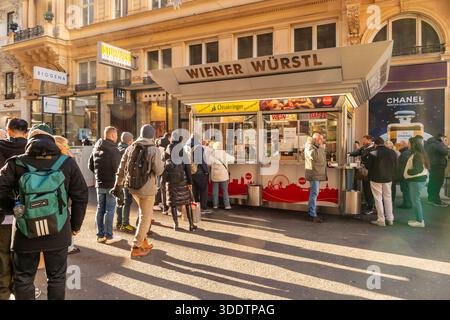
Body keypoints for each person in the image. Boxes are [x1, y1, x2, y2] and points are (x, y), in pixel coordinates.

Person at [0, 124, 88, 300]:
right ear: (51, 139)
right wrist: (75, 225)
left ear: (29, 140)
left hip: (25, 232)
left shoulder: (16, 163)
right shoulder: (66, 163)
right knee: (56, 278)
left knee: (23, 279)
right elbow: (81, 195)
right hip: (59, 228)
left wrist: (16, 209)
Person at [114, 125, 164, 258]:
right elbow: (159, 170)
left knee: (144, 214)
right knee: (145, 217)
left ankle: (144, 241)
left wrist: (117, 185)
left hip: (132, 187)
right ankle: (136, 247)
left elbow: (121, 168)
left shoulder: (130, 147)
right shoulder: (154, 149)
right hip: (147, 189)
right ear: (152, 136)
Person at [0, 118, 28, 300]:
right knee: (24, 254)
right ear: (26, 132)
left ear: (8, 131)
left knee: (2, 254)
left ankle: (3, 293)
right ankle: (21, 291)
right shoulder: (31, 149)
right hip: (28, 212)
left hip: (3, 211)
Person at [89, 126, 122, 245]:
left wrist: (99, 175)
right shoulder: (114, 150)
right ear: (112, 135)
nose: (117, 137)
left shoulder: (96, 147)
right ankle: (109, 236)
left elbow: (90, 165)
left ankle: (100, 235)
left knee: (100, 209)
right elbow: (118, 168)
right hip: (111, 184)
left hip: (99, 183)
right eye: (116, 135)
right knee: (110, 209)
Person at [163, 131, 197, 231]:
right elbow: (187, 168)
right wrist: (190, 182)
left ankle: (175, 225)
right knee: (187, 202)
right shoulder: (182, 150)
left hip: (171, 181)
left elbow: (163, 163)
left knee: (173, 204)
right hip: (183, 180)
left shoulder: (167, 150)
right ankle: (191, 225)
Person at [54, 135, 80, 255]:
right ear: (62, 146)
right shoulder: (67, 161)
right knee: (66, 221)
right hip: (64, 198)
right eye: (66, 145)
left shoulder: (49, 159)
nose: (68, 147)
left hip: (53, 199)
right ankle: (69, 246)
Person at [367, 137, 397, 227]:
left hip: (376, 178)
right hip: (388, 178)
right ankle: (390, 218)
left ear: (375, 144)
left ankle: (381, 219)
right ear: (383, 143)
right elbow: (395, 165)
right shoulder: (392, 152)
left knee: (378, 198)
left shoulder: (373, 152)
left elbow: (369, 166)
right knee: (388, 197)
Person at [405, 136, 430, 228]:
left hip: (416, 181)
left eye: (409, 143)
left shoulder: (417, 155)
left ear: (413, 144)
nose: (408, 145)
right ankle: (418, 219)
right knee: (415, 200)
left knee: (416, 201)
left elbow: (417, 169)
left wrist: (408, 171)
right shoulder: (418, 154)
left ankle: (420, 221)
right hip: (417, 180)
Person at [349, 135, 375, 214]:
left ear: (369, 140)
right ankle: (369, 205)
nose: (363, 142)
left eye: (364, 140)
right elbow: (356, 152)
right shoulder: (364, 148)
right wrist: (349, 154)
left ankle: (371, 207)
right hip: (364, 172)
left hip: (371, 172)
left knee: (369, 190)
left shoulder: (374, 148)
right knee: (366, 188)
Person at [116, 132, 136, 233]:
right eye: (132, 139)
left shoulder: (116, 149)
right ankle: (125, 223)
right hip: (125, 180)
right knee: (127, 201)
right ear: (129, 141)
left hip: (117, 179)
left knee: (119, 201)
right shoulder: (129, 150)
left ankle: (119, 222)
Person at [186, 134, 211, 214]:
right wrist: (206, 171)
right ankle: (203, 208)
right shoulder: (198, 147)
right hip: (199, 172)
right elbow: (201, 161)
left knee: (194, 190)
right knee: (203, 190)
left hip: (190, 171)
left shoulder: (186, 147)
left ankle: (196, 207)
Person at [305, 134, 327, 223]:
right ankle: (312, 214)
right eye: (321, 139)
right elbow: (314, 156)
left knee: (314, 193)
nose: (322, 141)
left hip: (316, 173)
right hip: (314, 173)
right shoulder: (310, 146)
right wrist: (321, 148)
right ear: (316, 139)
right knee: (314, 194)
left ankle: (312, 213)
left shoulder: (315, 146)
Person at [425, 134, 450, 207]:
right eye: (444, 139)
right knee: (437, 183)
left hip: (434, 165)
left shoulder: (431, 143)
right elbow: (445, 152)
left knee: (433, 182)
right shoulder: (437, 144)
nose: (445, 141)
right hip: (438, 166)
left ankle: (431, 199)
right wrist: (445, 145)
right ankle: (436, 200)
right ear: (441, 138)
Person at [210, 141, 234, 210]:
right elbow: (233, 159)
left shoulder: (212, 155)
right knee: (225, 190)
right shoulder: (225, 154)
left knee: (215, 191)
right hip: (223, 176)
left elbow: (208, 163)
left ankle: (215, 205)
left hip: (215, 175)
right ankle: (227, 205)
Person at [396, 140, 412, 209]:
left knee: (405, 190)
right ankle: (408, 203)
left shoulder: (404, 154)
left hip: (404, 175)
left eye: (400, 145)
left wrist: (398, 176)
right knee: (407, 189)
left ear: (404, 145)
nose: (399, 146)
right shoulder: (408, 152)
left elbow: (401, 166)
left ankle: (406, 204)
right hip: (408, 175)